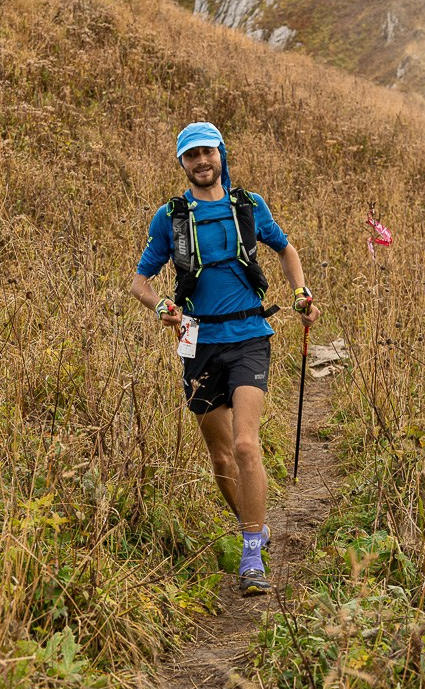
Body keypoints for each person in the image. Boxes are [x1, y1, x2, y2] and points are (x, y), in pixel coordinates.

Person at [130, 122, 320, 596]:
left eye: (206, 153)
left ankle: (252, 553)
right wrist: (161, 307)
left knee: (244, 447)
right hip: (196, 339)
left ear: (220, 155)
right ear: (182, 164)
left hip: (250, 333)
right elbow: (139, 282)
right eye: (190, 156)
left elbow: (286, 248)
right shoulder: (169, 218)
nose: (200, 162)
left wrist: (300, 292)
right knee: (219, 459)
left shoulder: (248, 206)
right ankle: (254, 525)